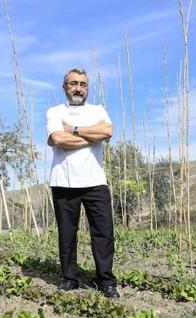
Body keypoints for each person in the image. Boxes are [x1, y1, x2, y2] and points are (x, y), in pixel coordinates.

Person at [46, 68, 119, 299]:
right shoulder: (55, 112)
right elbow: (57, 139)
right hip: (63, 182)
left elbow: (107, 132)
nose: (79, 88)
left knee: (103, 233)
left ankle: (106, 280)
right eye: (73, 83)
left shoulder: (98, 110)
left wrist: (75, 130)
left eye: (83, 84)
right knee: (67, 233)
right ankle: (69, 278)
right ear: (64, 87)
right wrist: (90, 137)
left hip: (95, 181)